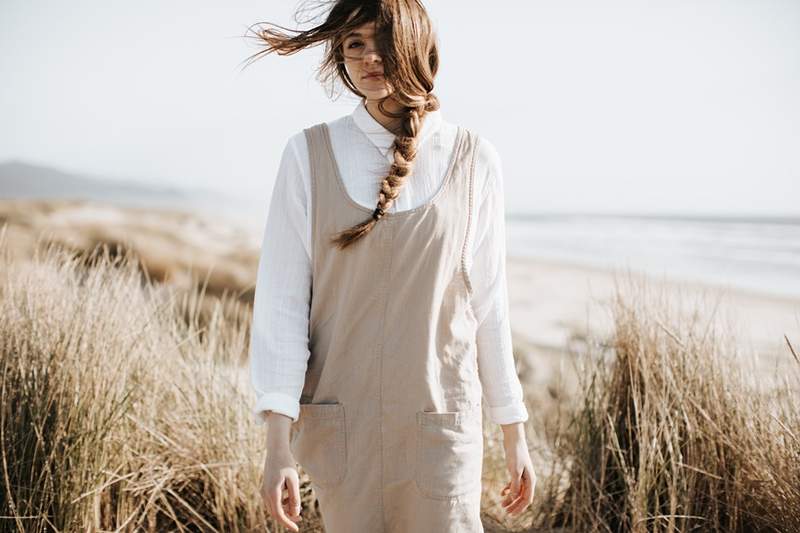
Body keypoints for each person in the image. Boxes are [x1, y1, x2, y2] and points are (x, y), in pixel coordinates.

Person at [245, 1, 535, 531]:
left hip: (440, 434)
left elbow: (489, 305)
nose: (368, 57)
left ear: (419, 45)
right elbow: (283, 304)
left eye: (382, 40)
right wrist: (276, 445)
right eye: (354, 44)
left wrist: (513, 431)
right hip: (341, 433)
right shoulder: (308, 154)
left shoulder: (473, 159)